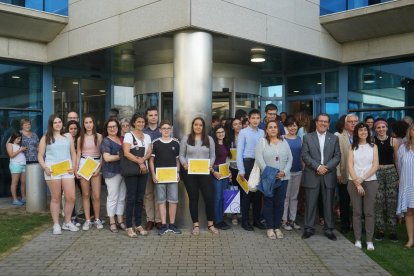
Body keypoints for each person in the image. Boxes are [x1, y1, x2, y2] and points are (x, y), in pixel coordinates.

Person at [301, 113, 341, 240]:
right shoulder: (307, 137)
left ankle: (329, 229)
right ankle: (308, 228)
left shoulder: (334, 138)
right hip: (312, 174)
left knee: (329, 204)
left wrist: (326, 167)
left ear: (328, 124)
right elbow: (305, 155)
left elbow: (337, 156)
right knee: (310, 203)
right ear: (316, 122)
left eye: (326, 121)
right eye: (321, 121)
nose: (323, 123)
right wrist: (318, 167)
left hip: (328, 175)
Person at [38, 114, 79, 234]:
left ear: (62, 123)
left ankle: (67, 222)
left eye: (59, 121)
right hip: (52, 170)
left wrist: (74, 167)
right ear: (51, 124)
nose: (58, 124)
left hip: (67, 170)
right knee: (56, 198)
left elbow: (73, 153)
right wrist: (44, 167)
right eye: (55, 122)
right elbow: (40, 155)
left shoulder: (68, 136)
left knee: (71, 197)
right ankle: (56, 224)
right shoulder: (46, 137)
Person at [179, 117, 218, 235]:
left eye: (200, 125)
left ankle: (210, 224)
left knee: (209, 198)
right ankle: (195, 225)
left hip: (204, 172)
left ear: (203, 127)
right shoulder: (186, 138)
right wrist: (184, 164)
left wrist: (210, 166)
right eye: (196, 124)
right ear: (193, 125)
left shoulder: (209, 139)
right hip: (189, 173)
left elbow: (212, 156)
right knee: (193, 198)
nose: (198, 127)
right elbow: (181, 155)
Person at [255, 121, 292, 239]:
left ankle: (277, 227)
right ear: (266, 129)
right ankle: (270, 228)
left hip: (283, 178)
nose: (273, 129)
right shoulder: (262, 142)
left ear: (278, 129)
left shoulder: (284, 141)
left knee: (280, 203)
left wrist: (284, 172)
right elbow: (259, 159)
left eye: (275, 127)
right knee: (268, 202)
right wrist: (270, 173)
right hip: (268, 178)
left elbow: (290, 159)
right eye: (270, 127)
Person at [347, 122, 379, 251]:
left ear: (368, 132)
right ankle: (358, 239)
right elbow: (349, 166)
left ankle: (370, 241)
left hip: (370, 181)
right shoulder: (352, 147)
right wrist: (357, 182)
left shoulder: (373, 146)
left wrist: (362, 179)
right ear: (357, 133)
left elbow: (375, 165)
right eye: (360, 130)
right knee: (357, 212)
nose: (363, 132)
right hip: (353, 182)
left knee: (369, 212)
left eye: (365, 130)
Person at [149, 120, 181, 235]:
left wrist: (178, 173)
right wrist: (153, 175)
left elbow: (177, 160)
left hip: (172, 177)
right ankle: (163, 225)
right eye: (164, 128)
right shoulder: (155, 143)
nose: (166, 130)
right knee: (161, 200)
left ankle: (172, 224)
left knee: (173, 200)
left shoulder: (176, 143)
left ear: (171, 129)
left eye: (168, 128)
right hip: (160, 177)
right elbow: (151, 160)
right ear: (160, 130)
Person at [122, 113, 152, 238]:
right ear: (134, 123)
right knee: (131, 198)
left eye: (143, 122)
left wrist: (144, 159)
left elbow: (149, 151)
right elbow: (126, 153)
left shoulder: (148, 136)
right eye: (138, 122)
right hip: (132, 170)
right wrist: (140, 161)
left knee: (140, 198)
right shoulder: (129, 135)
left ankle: (138, 224)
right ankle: (129, 226)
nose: (141, 124)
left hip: (143, 170)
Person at [236, 109, 266, 231]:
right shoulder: (243, 132)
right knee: (247, 194)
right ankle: (245, 221)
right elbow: (239, 153)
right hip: (247, 163)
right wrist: (241, 169)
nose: (255, 120)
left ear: (260, 119)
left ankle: (257, 221)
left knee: (258, 195)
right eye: (253, 118)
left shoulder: (263, 132)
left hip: (259, 164)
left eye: (257, 118)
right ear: (249, 119)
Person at [373, 118, 399, 241]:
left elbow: (397, 160)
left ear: (387, 128)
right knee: (378, 201)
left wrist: (399, 177)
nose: (381, 129)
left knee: (391, 201)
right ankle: (381, 230)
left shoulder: (393, 141)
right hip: (377, 172)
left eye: (383, 127)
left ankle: (393, 231)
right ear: (375, 129)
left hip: (391, 172)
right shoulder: (372, 141)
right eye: (378, 127)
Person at [76, 115, 103, 231]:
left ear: (93, 123)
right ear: (83, 124)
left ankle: (97, 219)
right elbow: (78, 154)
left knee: (96, 195)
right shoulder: (79, 138)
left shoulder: (99, 137)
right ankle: (87, 220)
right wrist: (76, 169)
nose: (88, 124)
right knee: (86, 194)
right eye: (86, 122)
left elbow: (102, 154)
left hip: (96, 165)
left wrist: (99, 168)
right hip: (84, 165)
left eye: (90, 122)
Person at [101, 118, 126, 233]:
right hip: (111, 172)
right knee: (112, 197)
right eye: (110, 127)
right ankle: (112, 221)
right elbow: (107, 158)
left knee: (122, 197)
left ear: (118, 127)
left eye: (114, 126)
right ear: (106, 129)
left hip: (124, 172)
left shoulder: (123, 138)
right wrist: (122, 156)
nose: (112, 128)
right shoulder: (106, 141)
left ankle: (120, 220)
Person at [336, 114, 358, 234]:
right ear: (345, 124)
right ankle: (345, 224)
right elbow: (338, 156)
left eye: (355, 121)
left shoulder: (361, 135)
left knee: (357, 203)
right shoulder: (340, 137)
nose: (353, 124)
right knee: (344, 201)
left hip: (359, 175)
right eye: (350, 122)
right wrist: (338, 172)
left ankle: (356, 225)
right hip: (344, 174)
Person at [143, 106, 162, 231]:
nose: (153, 117)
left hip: (162, 167)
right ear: (147, 117)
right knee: (148, 194)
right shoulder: (143, 132)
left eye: (155, 115)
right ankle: (150, 219)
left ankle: (159, 220)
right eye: (151, 115)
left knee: (159, 194)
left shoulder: (164, 129)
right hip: (147, 167)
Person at [281, 117, 302, 231]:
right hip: (285, 172)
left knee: (294, 197)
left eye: (294, 125)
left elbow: (302, 156)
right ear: (286, 127)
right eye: (290, 125)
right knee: (285, 197)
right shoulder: (282, 139)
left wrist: (303, 169)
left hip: (298, 171)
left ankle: (292, 219)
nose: (292, 127)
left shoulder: (300, 139)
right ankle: (284, 220)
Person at [396, 123, 414, 248]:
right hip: (407, 184)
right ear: (410, 131)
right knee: (409, 212)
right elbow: (399, 166)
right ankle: (411, 239)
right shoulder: (403, 148)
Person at [211, 125, 232, 230]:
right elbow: (209, 160)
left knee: (223, 196)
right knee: (217, 197)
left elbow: (226, 159)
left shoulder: (226, 144)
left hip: (224, 170)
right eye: (218, 132)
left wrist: (229, 172)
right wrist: (213, 172)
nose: (220, 134)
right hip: (216, 171)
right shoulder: (213, 145)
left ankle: (221, 219)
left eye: (222, 132)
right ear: (215, 134)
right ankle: (217, 221)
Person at [66, 120, 82, 226]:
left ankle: (90, 215)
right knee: (70, 195)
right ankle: (72, 216)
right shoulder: (64, 139)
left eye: (75, 128)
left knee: (83, 192)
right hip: (69, 169)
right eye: (71, 128)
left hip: (81, 169)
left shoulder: (81, 139)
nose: (73, 130)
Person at [228, 118, 242, 225]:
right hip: (232, 168)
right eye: (235, 124)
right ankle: (234, 215)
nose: (238, 126)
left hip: (243, 168)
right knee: (233, 190)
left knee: (243, 190)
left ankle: (243, 212)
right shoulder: (229, 138)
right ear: (232, 126)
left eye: (239, 124)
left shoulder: (245, 135)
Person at [6, 132, 27, 205]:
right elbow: (11, 155)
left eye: (20, 139)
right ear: (13, 138)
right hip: (15, 165)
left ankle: (24, 198)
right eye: (18, 138)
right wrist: (20, 150)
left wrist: (22, 149)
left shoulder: (18, 145)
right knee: (14, 183)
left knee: (23, 182)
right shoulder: (10, 144)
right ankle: (15, 200)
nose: (19, 140)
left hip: (23, 164)